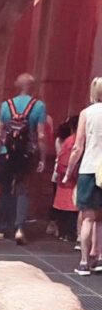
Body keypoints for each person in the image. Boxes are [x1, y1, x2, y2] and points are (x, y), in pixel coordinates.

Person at [0, 73, 47, 244]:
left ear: (17, 84)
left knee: (5, 190)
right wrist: (43, 158)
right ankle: (19, 228)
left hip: (6, 153)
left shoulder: (5, 105)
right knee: (23, 190)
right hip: (26, 154)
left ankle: (1, 228)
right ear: (32, 86)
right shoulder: (38, 106)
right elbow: (41, 135)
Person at [64, 77, 102, 276]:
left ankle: (84, 262)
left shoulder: (86, 114)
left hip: (89, 169)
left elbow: (78, 146)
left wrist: (68, 171)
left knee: (87, 217)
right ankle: (100, 258)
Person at [52, 116, 80, 244]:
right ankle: (70, 233)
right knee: (72, 207)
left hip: (62, 176)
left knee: (63, 207)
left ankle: (63, 233)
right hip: (72, 177)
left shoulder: (66, 140)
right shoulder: (76, 141)